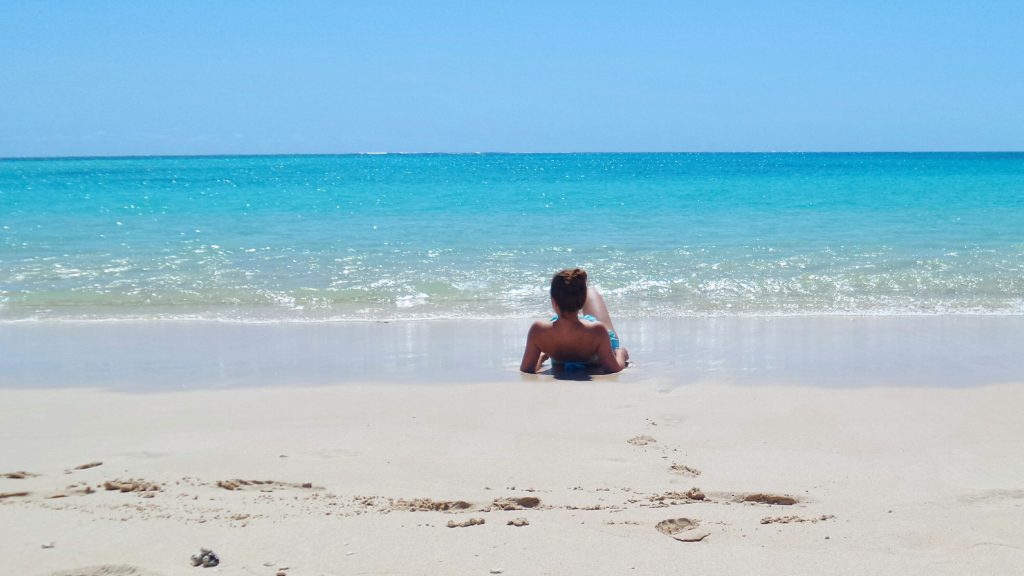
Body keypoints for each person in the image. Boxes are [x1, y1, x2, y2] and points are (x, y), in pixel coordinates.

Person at [519, 268, 629, 374]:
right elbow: (613, 369)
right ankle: (587, 292)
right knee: (592, 292)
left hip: (557, 354)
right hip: (594, 343)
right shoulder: (598, 331)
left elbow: (527, 369)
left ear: (554, 302)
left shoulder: (538, 331)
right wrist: (621, 354)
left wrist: (541, 358)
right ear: (582, 302)